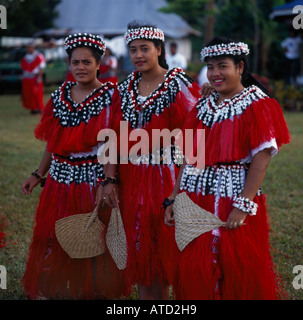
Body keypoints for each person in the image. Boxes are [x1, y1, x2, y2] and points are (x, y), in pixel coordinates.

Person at [164, 36, 290, 300]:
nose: (215, 73)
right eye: (210, 67)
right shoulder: (203, 104)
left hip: (232, 197)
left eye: (223, 66)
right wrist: (175, 197)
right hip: (196, 196)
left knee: (234, 269)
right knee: (197, 268)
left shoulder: (257, 104)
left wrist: (242, 205)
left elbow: (262, 156)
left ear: (240, 67)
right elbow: (189, 156)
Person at [21, 33, 130, 299]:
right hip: (58, 180)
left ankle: (92, 291)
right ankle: (58, 289)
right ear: (69, 64)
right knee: (55, 234)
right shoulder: (59, 96)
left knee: (92, 237)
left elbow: (113, 144)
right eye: (75, 62)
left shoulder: (111, 95)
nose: (80, 67)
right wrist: (38, 173)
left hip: (93, 179)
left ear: (98, 64)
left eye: (86, 62)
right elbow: (52, 141)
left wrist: (108, 181)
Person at [98, 21, 200, 300]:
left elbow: (193, 139)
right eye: (133, 50)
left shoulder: (178, 84)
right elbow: (112, 138)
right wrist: (109, 179)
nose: (139, 55)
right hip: (131, 178)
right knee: (140, 247)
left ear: (159, 49)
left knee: (164, 248)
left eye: (145, 49)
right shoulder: (123, 88)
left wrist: (181, 188)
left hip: (167, 176)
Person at [21, 42, 46, 114]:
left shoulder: (38, 56)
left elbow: (41, 67)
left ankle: (39, 109)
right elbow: (24, 68)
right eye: (27, 47)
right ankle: (32, 109)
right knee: (29, 94)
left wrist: (39, 77)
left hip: (35, 77)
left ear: (33, 47)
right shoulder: (25, 56)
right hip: (27, 78)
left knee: (37, 93)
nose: (28, 49)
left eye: (30, 47)